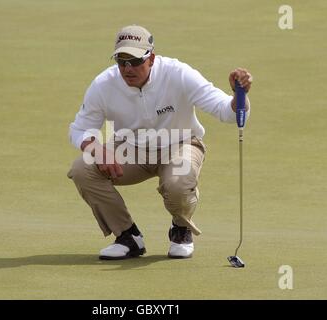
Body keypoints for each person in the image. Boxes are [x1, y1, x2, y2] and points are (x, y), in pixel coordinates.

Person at [67, 25, 253, 260]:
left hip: (181, 143)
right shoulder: (104, 84)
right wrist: (94, 147)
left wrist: (239, 97)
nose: (127, 68)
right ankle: (128, 237)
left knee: (177, 185)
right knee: (82, 169)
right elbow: (80, 129)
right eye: (121, 61)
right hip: (130, 148)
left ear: (151, 58)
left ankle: (181, 228)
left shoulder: (178, 73)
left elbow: (226, 111)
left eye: (134, 61)